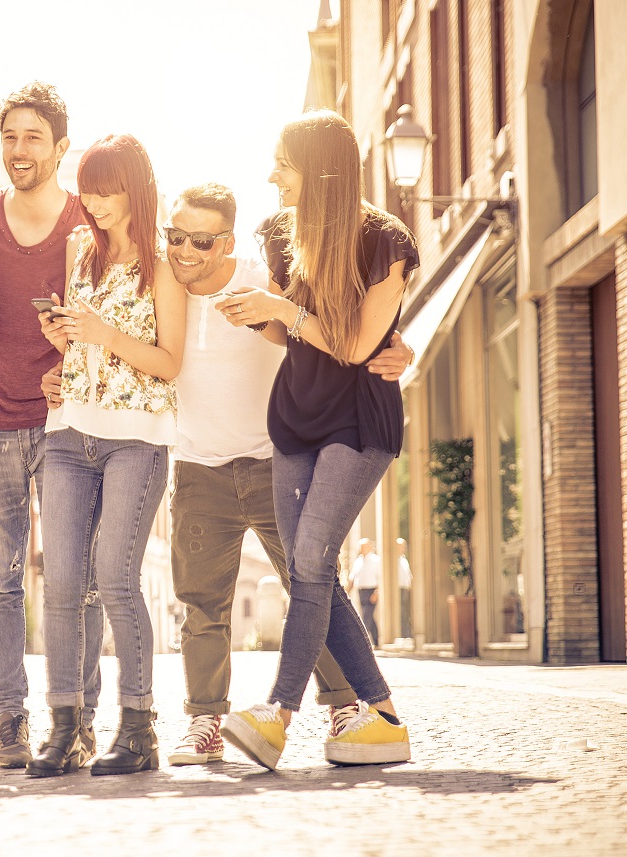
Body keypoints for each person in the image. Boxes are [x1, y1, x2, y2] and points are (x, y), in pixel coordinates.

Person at [125, 183, 409, 766]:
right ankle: (205, 722)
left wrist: (396, 346)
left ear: (226, 241)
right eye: (173, 237)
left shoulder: (266, 274)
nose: (182, 251)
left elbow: (338, 328)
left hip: (275, 460)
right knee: (200, 603)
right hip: (198, 467)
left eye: (199, 241)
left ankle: (346, 706)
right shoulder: (156, 289)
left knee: (314, 583)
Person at [220, 109, 419, 769]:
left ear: (321, 169)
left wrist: (283, 310)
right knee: (309, 567)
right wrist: (259, 314)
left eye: (283, 161)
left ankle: (276, 715)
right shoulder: (282, 232)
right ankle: (382, 714)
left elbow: (359, 346)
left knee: (309, 559)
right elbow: (291, 333)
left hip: (359, 420)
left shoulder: (385, 240)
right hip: (296, 418)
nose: (272, 175)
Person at [27, 134, 184, 778]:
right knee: (62, 582)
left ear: (136, 187)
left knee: (115, 577)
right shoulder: (77, 249)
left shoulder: (165, 260)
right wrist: (60, 354)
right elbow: (79, 345)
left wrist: (104, 334)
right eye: (87, 189)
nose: (93, 203)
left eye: (107, 188)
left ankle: (139, 727)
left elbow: (169, 363)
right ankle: (68, 728)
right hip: (68, 432)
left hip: (136, 436)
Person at [0, 82, 104, 768]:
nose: (19, 150)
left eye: (33, 138)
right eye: (11, 136)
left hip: (66, 425)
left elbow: (115, 319)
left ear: (60, 148)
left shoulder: (87, 225)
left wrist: (71, 351)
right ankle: (11, 718)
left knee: (76, 578)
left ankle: (78, 718)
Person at [349, 538, 382, 646]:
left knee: (366, 615)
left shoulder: (376, 560)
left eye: (363, 546)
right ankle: (376, 641)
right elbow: (352, 577)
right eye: (360, 547)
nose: (361, 548)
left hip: (371, 590)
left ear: (370, 547)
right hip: (361, 591)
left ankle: (363, 642)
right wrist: (347, 591)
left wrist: (376, 593)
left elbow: (380, 578)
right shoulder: (358, 561)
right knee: (368, 616)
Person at [396, 538, 413, 638]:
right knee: (401, 611)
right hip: (398, 589)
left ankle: (406, 632)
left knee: (405, 611)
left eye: (404, 546)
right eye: (401, 546)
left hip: (405, 589)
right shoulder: (394, 560)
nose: (403, 548)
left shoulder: (404, 559)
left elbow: (408, 575)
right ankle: (403, 633)